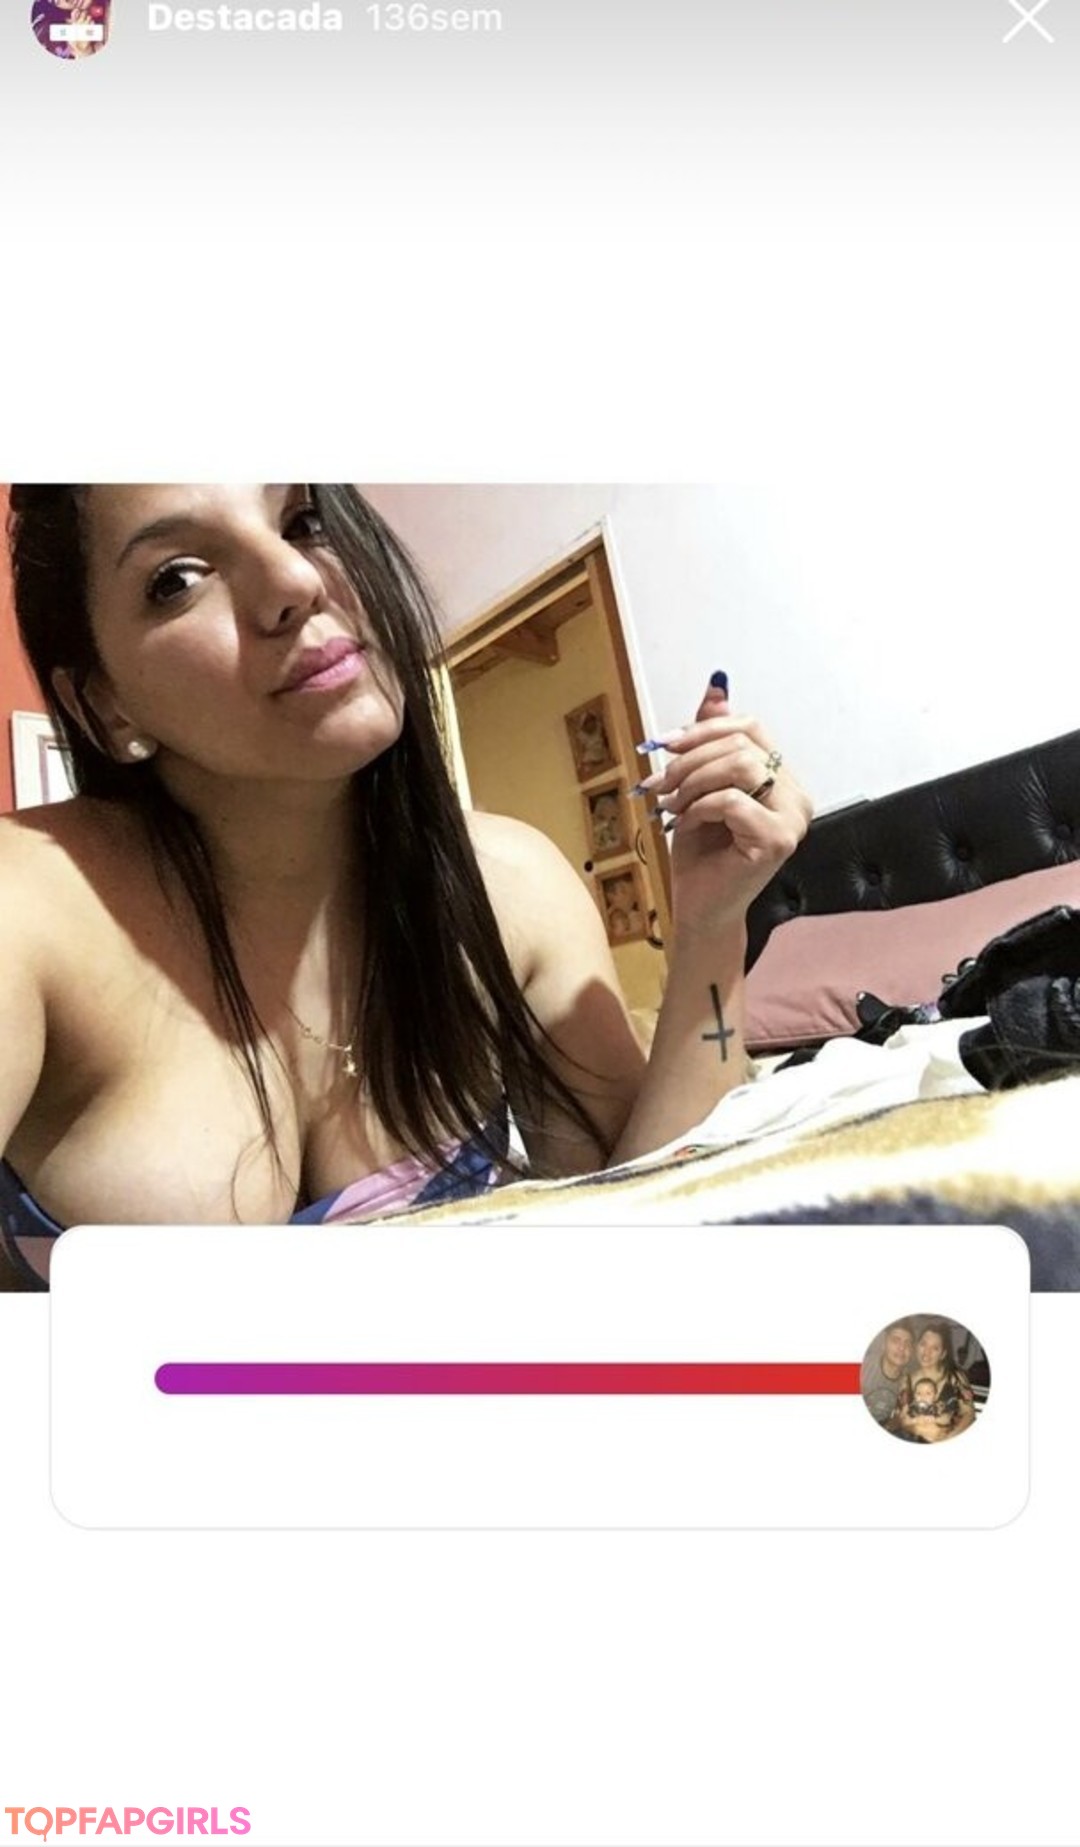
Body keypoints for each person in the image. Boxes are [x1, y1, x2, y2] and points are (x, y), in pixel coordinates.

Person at [0, 485, 811, 1288]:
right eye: (177, 578)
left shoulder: (510, 887)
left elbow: (642, 1212)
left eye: (303, 520)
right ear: (105, 705)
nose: (294, 580)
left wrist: (714, 924)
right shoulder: (30, 905)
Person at [893, 1324, 976, 1443]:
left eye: (935, 1348)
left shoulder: (956, 1377)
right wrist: (919, 1430)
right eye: (923, 1344)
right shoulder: (907, 1379)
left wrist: (948, 1438)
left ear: (943, 1354)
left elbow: (969, 1414)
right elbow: (901, 1418)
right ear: (917, 1346)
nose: (927, 1352)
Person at [860, 1321, 914, 1426]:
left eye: (907, 1343)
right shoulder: (864, 1367)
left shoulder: (910, 1381)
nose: (902, 1348)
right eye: (896, 1340)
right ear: (883, 1345)